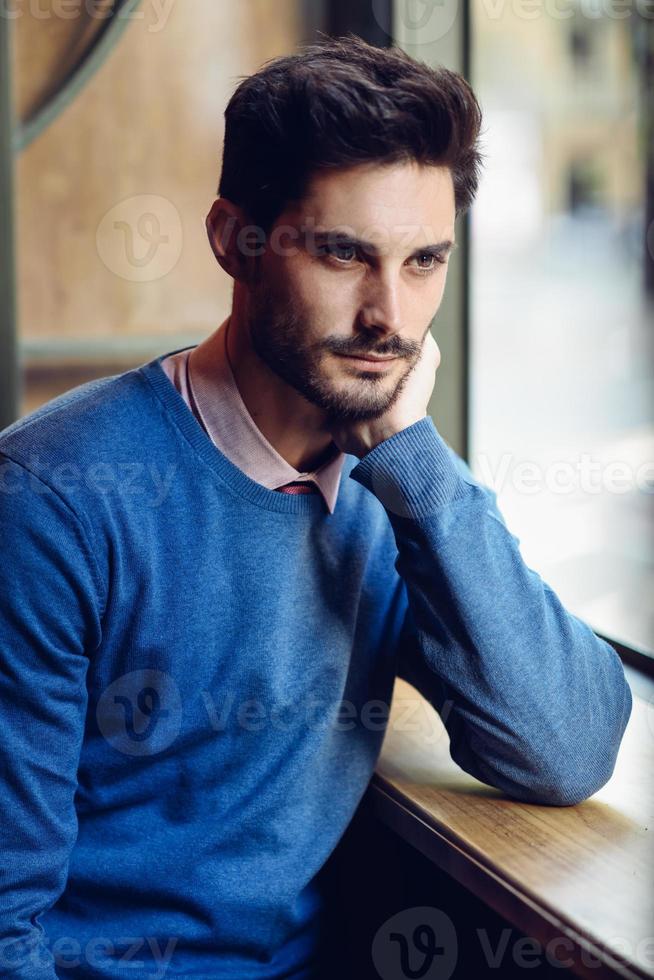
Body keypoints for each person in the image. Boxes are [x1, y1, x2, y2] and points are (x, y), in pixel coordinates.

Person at [0, 33, 632, 980]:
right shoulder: (53, 500)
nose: (391, 317)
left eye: (425, 262)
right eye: (345, 255)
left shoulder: (394, 484)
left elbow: (569, 746)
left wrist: (414, 462)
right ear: (233, 243)